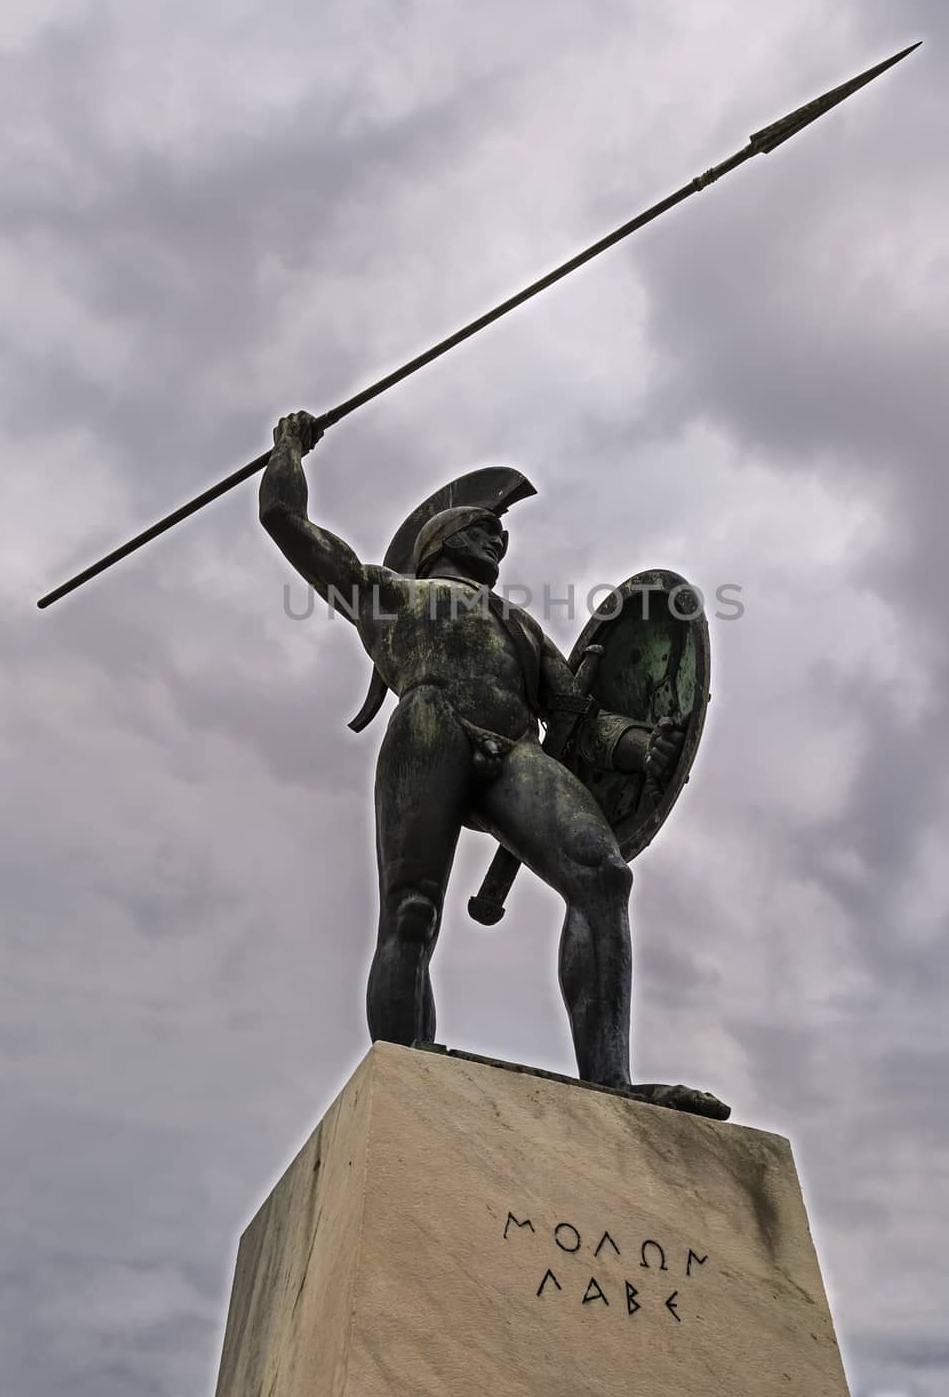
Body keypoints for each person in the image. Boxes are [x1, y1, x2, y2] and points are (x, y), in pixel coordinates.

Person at [260, 411, 713, 1107]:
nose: (499, 536)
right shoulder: (389, 594)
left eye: (501, 533)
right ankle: (406, 1072)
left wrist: (640, 746)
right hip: (429, 725)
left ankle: (611, 1085)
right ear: (440, 541)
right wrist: (288, 449)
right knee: (412, 911)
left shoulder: (519, 624)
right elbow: (287, 521)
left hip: (512, 751)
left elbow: (581, 723)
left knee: (602, 879)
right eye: (483, 526)